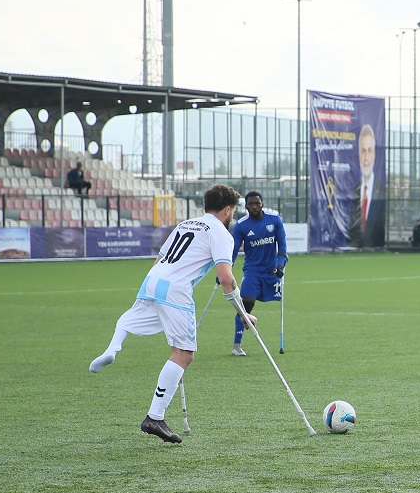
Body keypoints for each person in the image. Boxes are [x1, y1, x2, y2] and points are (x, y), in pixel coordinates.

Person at [88, 184, 254, 444]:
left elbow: (160, 258)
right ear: (227, 209)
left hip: (153, 279)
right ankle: (155, 416)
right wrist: (243, 313)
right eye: (233, 210)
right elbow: (226, 278)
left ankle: (113, 347)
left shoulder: (185, 224)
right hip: (176, 289)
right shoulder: (221, 233)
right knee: (184, 354)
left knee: (133, 317)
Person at [228, 190, 287, 357]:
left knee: (273, 300)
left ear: (262, 204)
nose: (254, 206)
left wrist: (280, 265)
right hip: (252, 271)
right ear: (246, 206)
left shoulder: (274, 219)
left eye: (257, 203)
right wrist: (226, 268)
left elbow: (282, 245)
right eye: (251, 204)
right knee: (245, 305)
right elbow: (233, 250)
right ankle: (237, 345)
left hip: (271, 271)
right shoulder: (241, 225)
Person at [349, 124, 385, 247]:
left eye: (369, 151)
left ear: (374, 154)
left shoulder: (383, 191)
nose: (366, 158)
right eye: (363, 151)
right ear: (358, 154)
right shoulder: (352, 192)